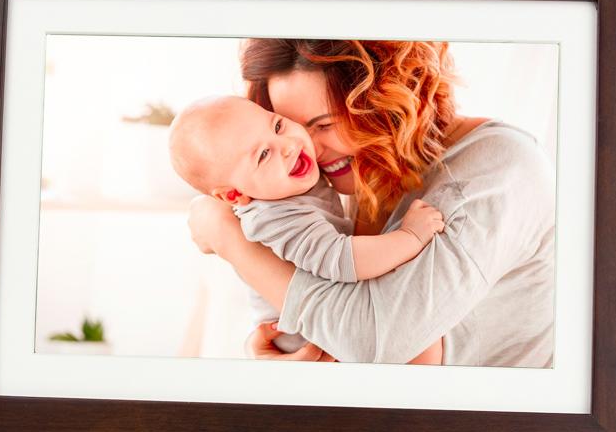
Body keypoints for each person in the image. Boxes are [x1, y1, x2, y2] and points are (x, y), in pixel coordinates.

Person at [188, 40, 555, 368]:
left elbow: (373, 342)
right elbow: (334, 321)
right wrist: (282, 350)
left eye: (324, 125)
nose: (307, 148)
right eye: (288, 123)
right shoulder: (355, 173)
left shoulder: (497, 169)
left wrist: (229, 238)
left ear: (387, 99)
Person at [168, 94, 445, 364]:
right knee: (416, 335)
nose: (288, 146)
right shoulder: (273, 218)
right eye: (263, 155)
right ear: (233, 195)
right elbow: (342, 259)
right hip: (306, 345)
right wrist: (410, 236)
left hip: (323, 325)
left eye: (278, 126)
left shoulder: (287, 184)